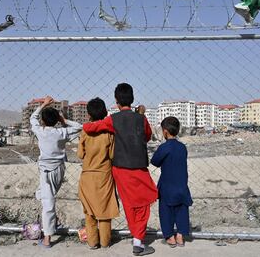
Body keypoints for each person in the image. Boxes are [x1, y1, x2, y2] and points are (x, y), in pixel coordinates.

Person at [83, 83, 158, 256]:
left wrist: (88, 123)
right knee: (144, 202)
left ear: (116, 101)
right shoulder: (141, 119)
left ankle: (137, 238)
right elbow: (146, 136)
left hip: (120, 169)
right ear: (132, 100)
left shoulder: (113, 120)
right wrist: (140, 114)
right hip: (139, 168)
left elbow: (90, 127)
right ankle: (138, 241)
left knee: (129, 203)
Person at [30, 96, 82, 248]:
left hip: (46, 172)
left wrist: (43, 105)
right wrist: (64, 120)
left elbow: (33, 117)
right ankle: (52, 221)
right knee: (45, 196)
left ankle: (47, 238)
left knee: (48, 202)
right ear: (56, 121)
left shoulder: (40, 131)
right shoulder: (61, 133)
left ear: (43, 121)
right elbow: (79, 127)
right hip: (59, 169)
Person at [77, 97, 119, 249]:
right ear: (105, 113)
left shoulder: (85, 132)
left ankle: (93, 242)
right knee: (105, 211)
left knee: (89, 212)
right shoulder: (109, 133)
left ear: (89, 114)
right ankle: (105, 242)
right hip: (104, 176)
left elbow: (80, 155)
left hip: (87, 176)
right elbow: (113, 154)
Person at [150, 116, 193, 248]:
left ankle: (169, 236)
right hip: (181, 184)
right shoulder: (182, 147)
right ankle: (180, 235)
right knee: (182, 210)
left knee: (166, 211)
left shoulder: (164, 147)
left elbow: (154, 161)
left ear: (165, 132)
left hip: (167, 185)